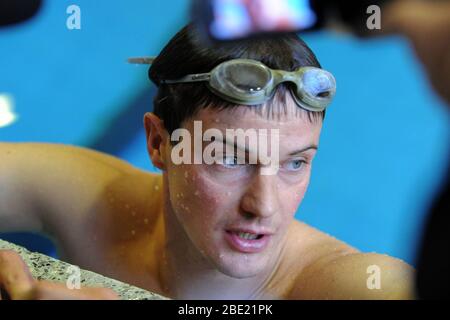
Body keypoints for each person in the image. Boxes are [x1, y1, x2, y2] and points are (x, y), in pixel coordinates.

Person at [0, 23, 415, 300]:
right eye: (229, 159)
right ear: (159, 142)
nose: (264, 206)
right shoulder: (87, 201)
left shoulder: (339, 284)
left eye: (295, 163)